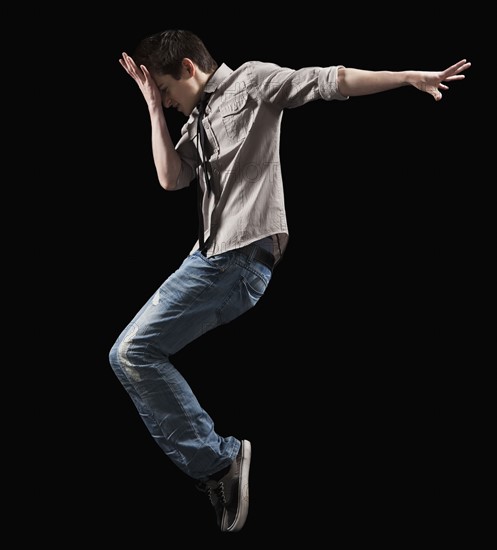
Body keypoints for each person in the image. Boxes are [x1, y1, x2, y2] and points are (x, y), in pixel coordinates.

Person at [111, 29, 470, 533]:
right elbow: (171, 179)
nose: (168, 103)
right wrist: (151, 107)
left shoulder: (254, 83)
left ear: (189, 67)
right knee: (130, 354)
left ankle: (219, 462)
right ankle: (218, 462)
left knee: (132, 353)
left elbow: (329, 80)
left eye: (166, 91)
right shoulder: (195, 124)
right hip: (206, 259)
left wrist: (409, 76)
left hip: (239, 258)